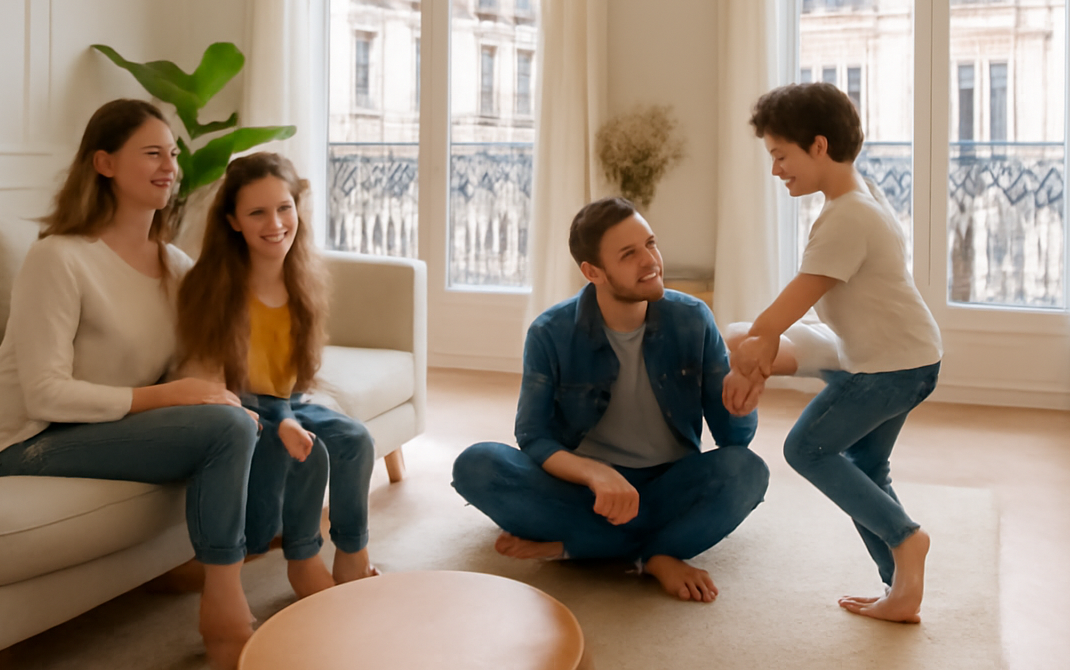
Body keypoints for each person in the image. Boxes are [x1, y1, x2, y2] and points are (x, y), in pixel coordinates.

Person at [0, 99, 261, 670]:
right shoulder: (59, 258)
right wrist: (171, 398)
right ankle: (225, 611)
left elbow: (191, 373)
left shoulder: (175, 267)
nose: (170, 167)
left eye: (173, 154)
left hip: (96, 430)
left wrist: (215, 390)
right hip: (19, 442)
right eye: (152, 153)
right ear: (104, 163)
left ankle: (250, 566)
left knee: (240, 419)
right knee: (226, 427)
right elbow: (45, 393)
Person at [452, 198, 769, 603]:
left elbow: (733, 441)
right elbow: (533, 436)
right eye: (629, 254)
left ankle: (581, 546)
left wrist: (742, 401)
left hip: (669, 483)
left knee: (747, 472)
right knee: (477, 465)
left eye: (650, 244)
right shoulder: (549, 332)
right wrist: (595, 474)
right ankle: (656, 551)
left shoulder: (692, 318)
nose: (650, 260)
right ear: (593, 272)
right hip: (585, 491)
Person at [724, 81, 944, 624]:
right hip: (908, 357)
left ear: (818, 146)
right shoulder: (859, 197)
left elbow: (797, 299)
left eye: (781, 155)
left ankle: (905, 538)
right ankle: (900, 587)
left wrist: (758, 348)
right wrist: (758, 349)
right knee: (866, 465)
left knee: (807, 449)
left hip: (888, 369)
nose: (775, 169)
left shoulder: (847, 216)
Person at [176, 152, 377, 599]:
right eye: (257, 213)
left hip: (288, 402)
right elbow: (211, 386)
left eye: (284, 208)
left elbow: (296, 379)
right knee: (308, 450)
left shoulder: (303, 278)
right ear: (233, 221)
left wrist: (287, 413)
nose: (275, 223)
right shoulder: (212, 287)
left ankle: (353, 555)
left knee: (356, 439)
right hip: (235, 405)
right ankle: (303, 560)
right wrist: (280, 420)